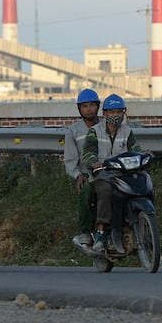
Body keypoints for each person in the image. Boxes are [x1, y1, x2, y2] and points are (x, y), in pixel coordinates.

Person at [89, 93, 142, 254]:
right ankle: (101, 232)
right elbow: (88, 152)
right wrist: (94, 162)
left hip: (122, 175)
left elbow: (135, 149)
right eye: (112, 112)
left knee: (142, 186)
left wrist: (143, 155)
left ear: (123, 113)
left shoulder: (127, 131)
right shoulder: (94, 131)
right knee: (105, 191)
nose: (115, 115)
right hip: (101, 175)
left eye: (119, 112)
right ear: (105, 114)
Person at [63, 88, 102, 251]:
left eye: (92, 105)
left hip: (109, 170)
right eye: (85, 106)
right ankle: (86, 232)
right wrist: (78, 175)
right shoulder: (73, 131)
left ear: (98, 107)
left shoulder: (107, 126)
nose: (89, 109)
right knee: (86, 192)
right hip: (87, 174)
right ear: (79, 109)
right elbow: (71, 159)